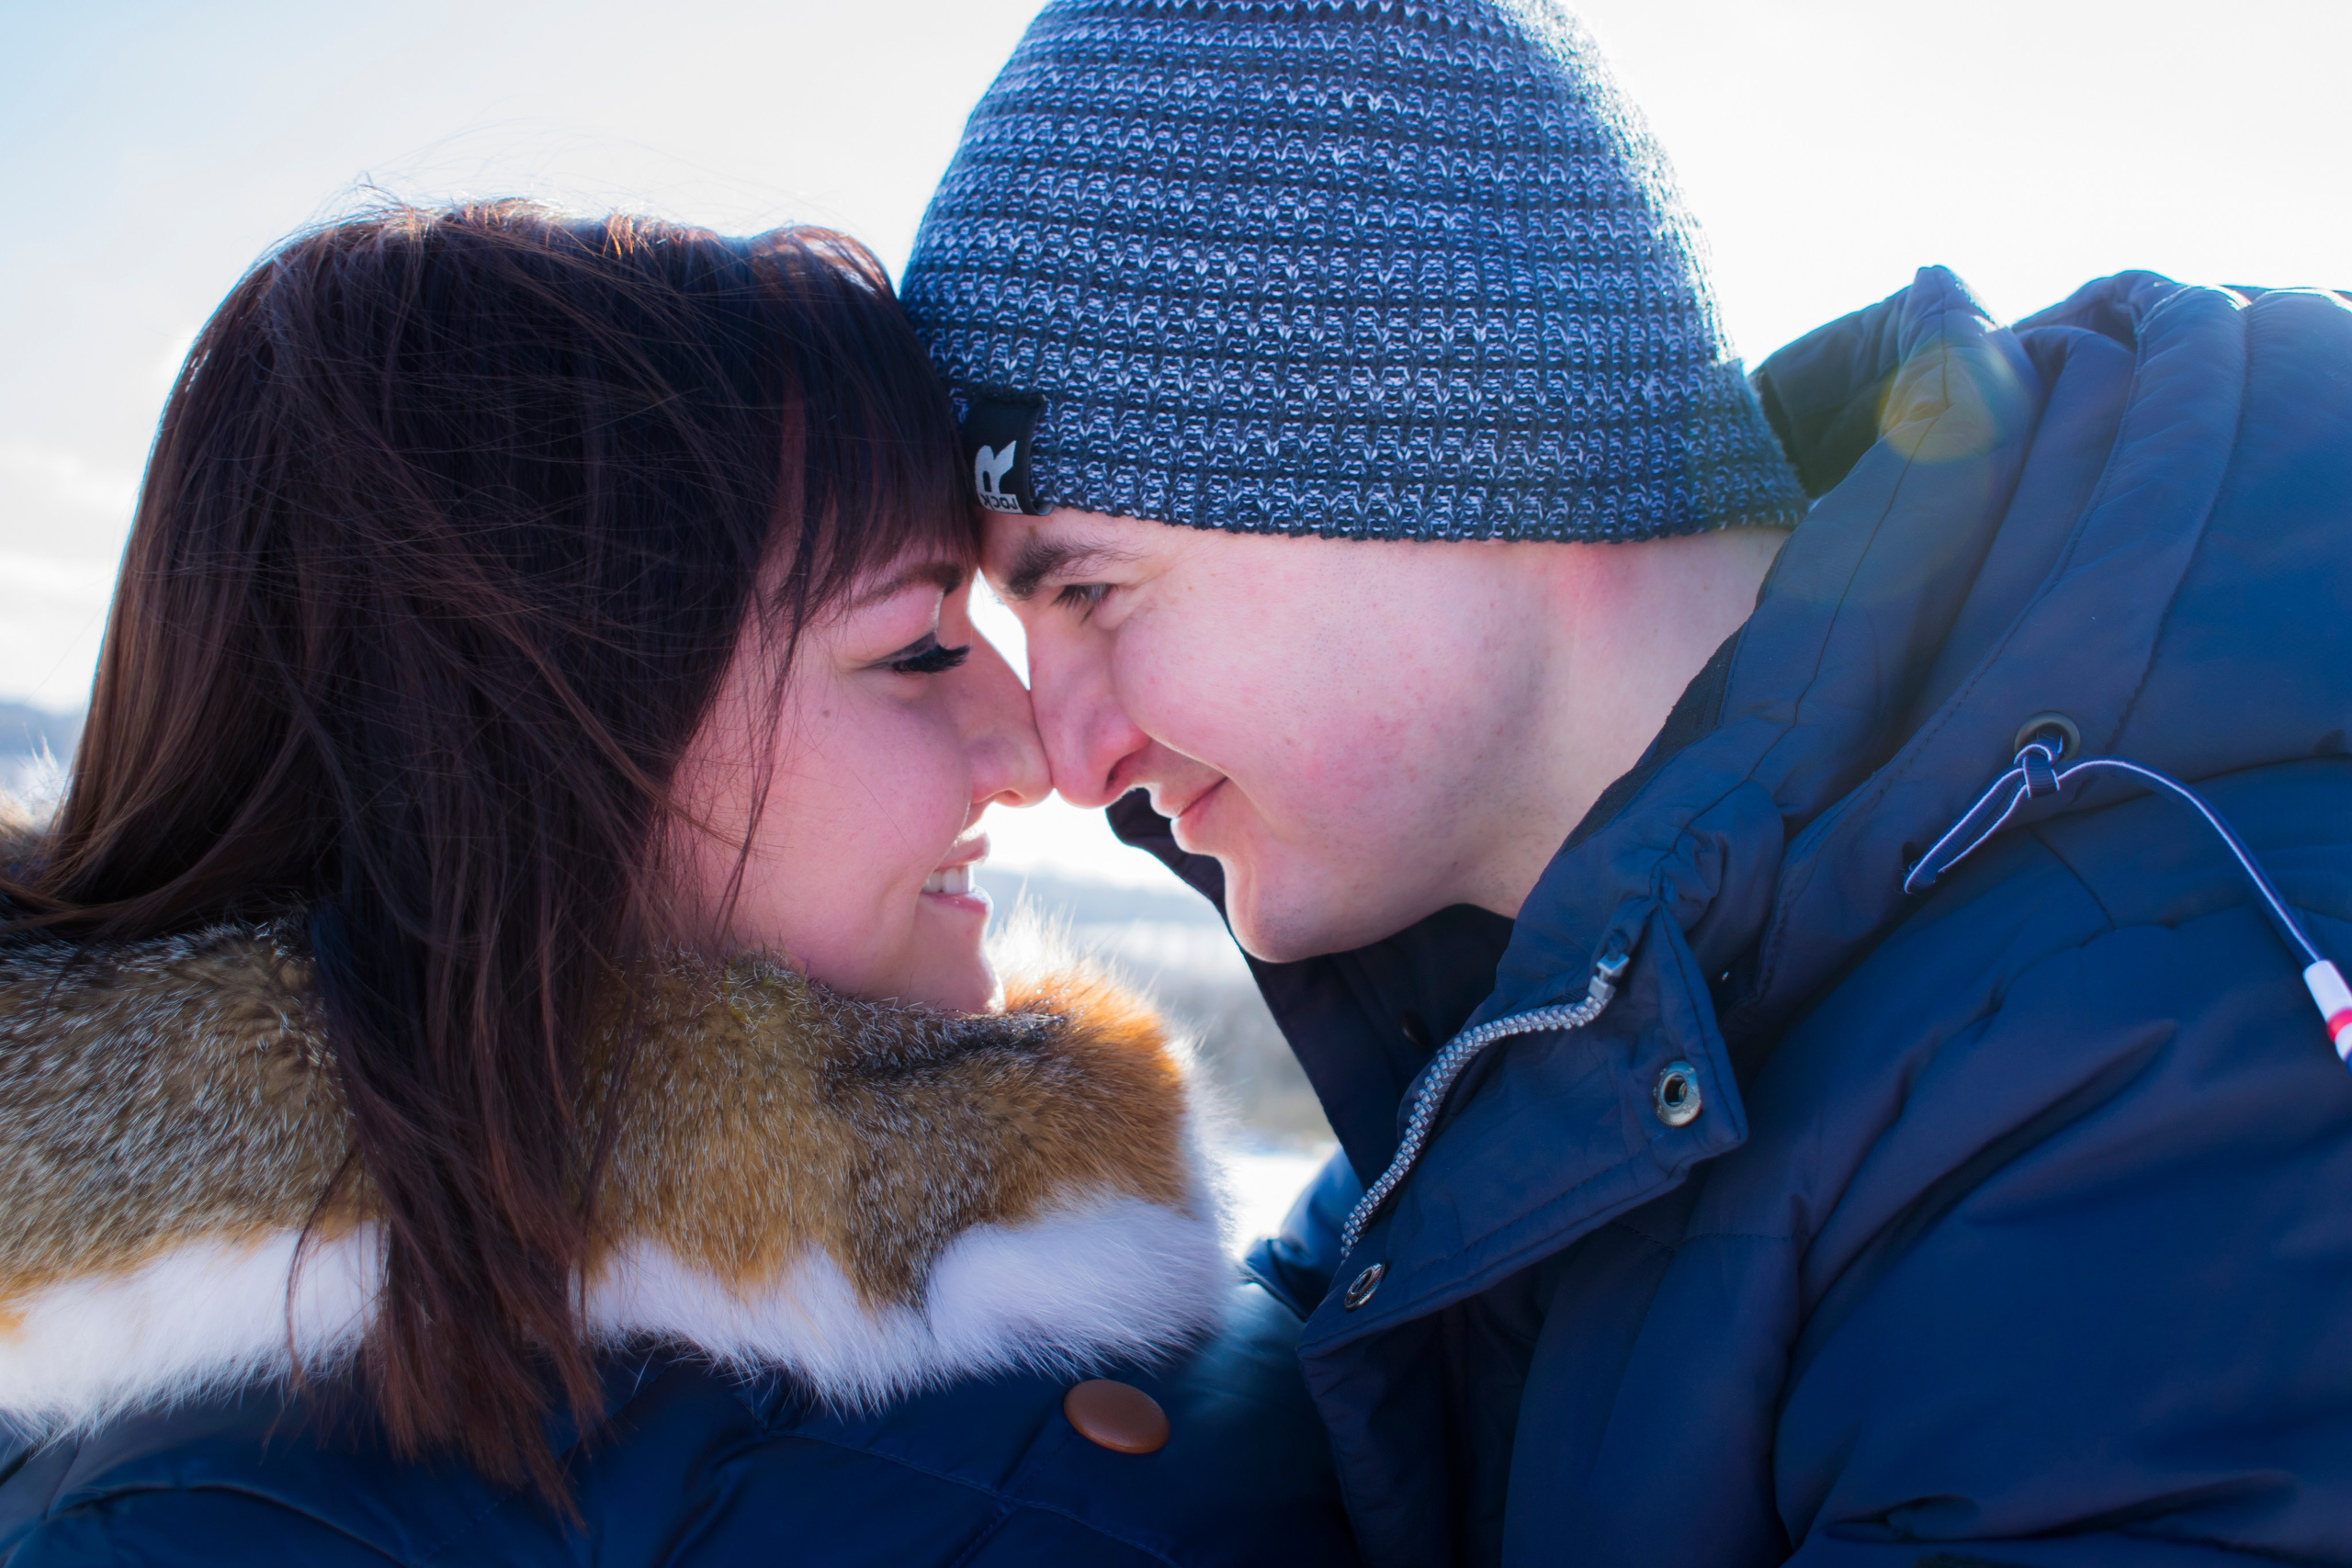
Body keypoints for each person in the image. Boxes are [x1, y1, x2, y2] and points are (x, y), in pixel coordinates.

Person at [899, 1, 2352, 1562]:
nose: (1066, 753)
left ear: (1466, 445)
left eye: (1094, 594)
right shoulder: (1508, 1034)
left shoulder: (2140, 1062)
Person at [0, 202, 1358, 1567]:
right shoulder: (218, 1530)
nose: (1038, 757)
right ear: (520, 752)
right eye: (915, 652)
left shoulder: (976, 1215)